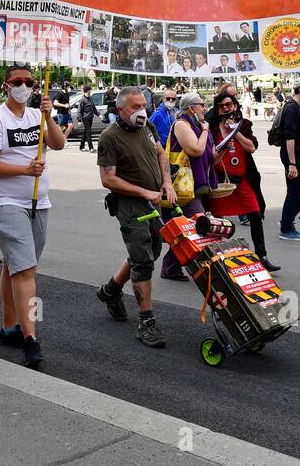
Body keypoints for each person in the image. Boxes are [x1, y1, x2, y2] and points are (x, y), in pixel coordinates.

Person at [0, 65, 66, 367]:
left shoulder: (36, 117)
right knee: (27, 271)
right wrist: (24, 170)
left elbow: (58, 143)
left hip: (38, 203)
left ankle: (9, 327)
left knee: (17, 266)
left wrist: (49, 116)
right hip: (3, 203)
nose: (25, 86)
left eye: (29, 82)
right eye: (18, 82)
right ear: (6, 86)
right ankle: (31, 335)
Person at [95, 86, 176, 348]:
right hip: (130, 206)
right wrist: (143, 191)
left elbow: (160, 153)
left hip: (153, 199)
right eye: (135, 107)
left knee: (151, 250)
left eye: (143, 105)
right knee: (142, 260)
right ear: (120, 109)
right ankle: (146, 323)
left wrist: (167, 182)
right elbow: (108, 178)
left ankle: (110, 291)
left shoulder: (146, 126)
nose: (142, 111)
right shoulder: (110, 137)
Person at [209, 90, 278, 272]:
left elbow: (251, 147)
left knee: (255, 213)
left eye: (229, 105)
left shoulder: (244, 125)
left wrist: (235, 132)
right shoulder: (211, 127)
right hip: (221, 180)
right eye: (221, 106)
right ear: (217, 109)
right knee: (217, 220)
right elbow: (211, 158)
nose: (225, 109)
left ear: (235, 106)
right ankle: (217, 257)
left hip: (243, 178)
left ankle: (262, 256)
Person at [163, 91, 217, 280]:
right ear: (191, 108)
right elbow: (196, 150)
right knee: (198, 224)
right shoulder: (182, 124)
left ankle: (171, 267)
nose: (204, 108)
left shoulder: (196, 124)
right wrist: (205, 131)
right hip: (184, 185)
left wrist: (225, 146)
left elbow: (211, 155)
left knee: (188, 228)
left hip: (197, 184)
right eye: (202, 105)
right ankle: (201, 269)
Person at [276, 77, 300, 242]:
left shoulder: (297, 106)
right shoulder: (292, 108)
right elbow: (289, 137)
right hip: (293, 156)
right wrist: (292, 163)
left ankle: (287, 219)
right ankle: (286, 225)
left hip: (298, 155)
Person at [75, 84, 97, 151]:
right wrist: (79, 120)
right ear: (87, 91)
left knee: (86, 132)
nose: (90, 91)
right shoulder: (82, 100)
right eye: (90, 90)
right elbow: (79, 111)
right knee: (88, 132)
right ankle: (91, 148)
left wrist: (99, 115)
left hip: (91, 118)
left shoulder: (90, 98)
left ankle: (81, 146)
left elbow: (94, 108)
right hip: (85, 118)